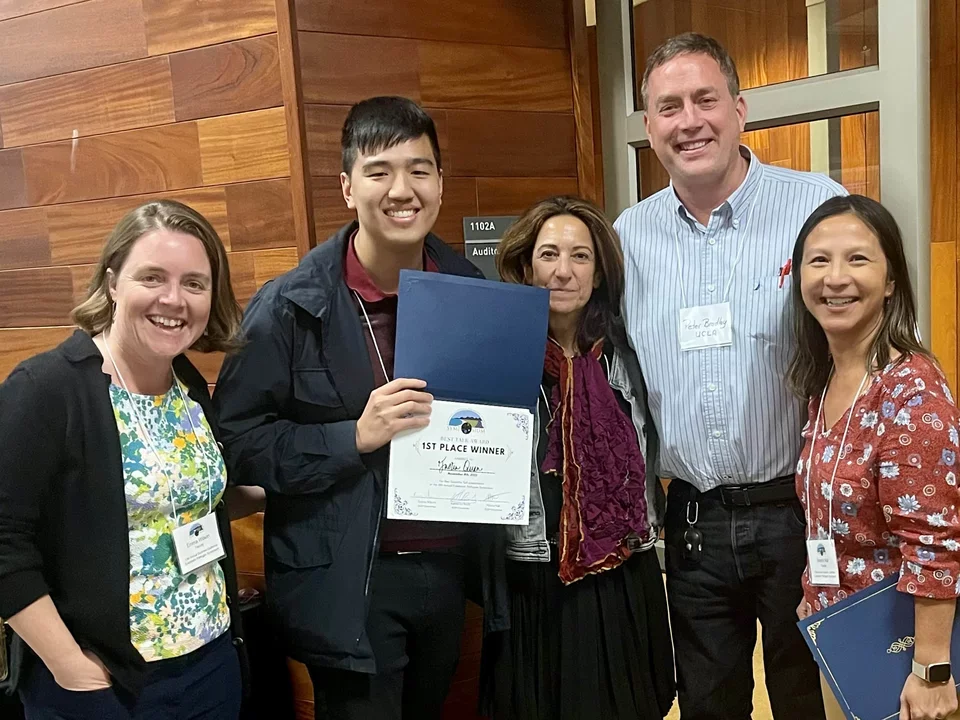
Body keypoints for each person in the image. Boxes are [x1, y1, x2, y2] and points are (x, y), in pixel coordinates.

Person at [214, 96, 507, 720]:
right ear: (348, 187)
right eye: (380, 171)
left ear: (440, 183)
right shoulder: (290, 306)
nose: (402, 189)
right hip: (348, 578)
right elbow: (236, 445)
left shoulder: (472, 293)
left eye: (420, 169)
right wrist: (354, 437)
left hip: (449, 571)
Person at [614, 32, 847, 719]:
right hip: (692, 522)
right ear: (650, 126)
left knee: (805, 698)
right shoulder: (628, 239)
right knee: (709, 702)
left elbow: (874, 342)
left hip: (797, 513)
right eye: (668, 107)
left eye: (704, 99)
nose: (689, 121)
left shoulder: (816, 206)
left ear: (740, 109)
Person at [0, 200, 256, 719]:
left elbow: (188, 503)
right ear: (113, 283)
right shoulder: (47, 389)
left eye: (194, 283)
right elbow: (4, 539)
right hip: (107, 683)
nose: (173, 299)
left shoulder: (186, 384)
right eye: (152, 277)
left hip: (209, 665)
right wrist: (67, 664)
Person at [481, 195, 675, 719]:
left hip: (623, 573)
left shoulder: (628, 356)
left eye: (580, 256)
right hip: (535, 580)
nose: (563, 272)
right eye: (548, 255)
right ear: (526, 266)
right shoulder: (495, 358)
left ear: (599, 271)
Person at [790, 195, 960, 720]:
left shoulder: (910, 389)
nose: (834, 277)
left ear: (890, 281)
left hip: (900, 652)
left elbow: (935, 538)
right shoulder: (826, 380)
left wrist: (931, 671)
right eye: (818, 260)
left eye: (858, 259)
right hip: (842, 635)